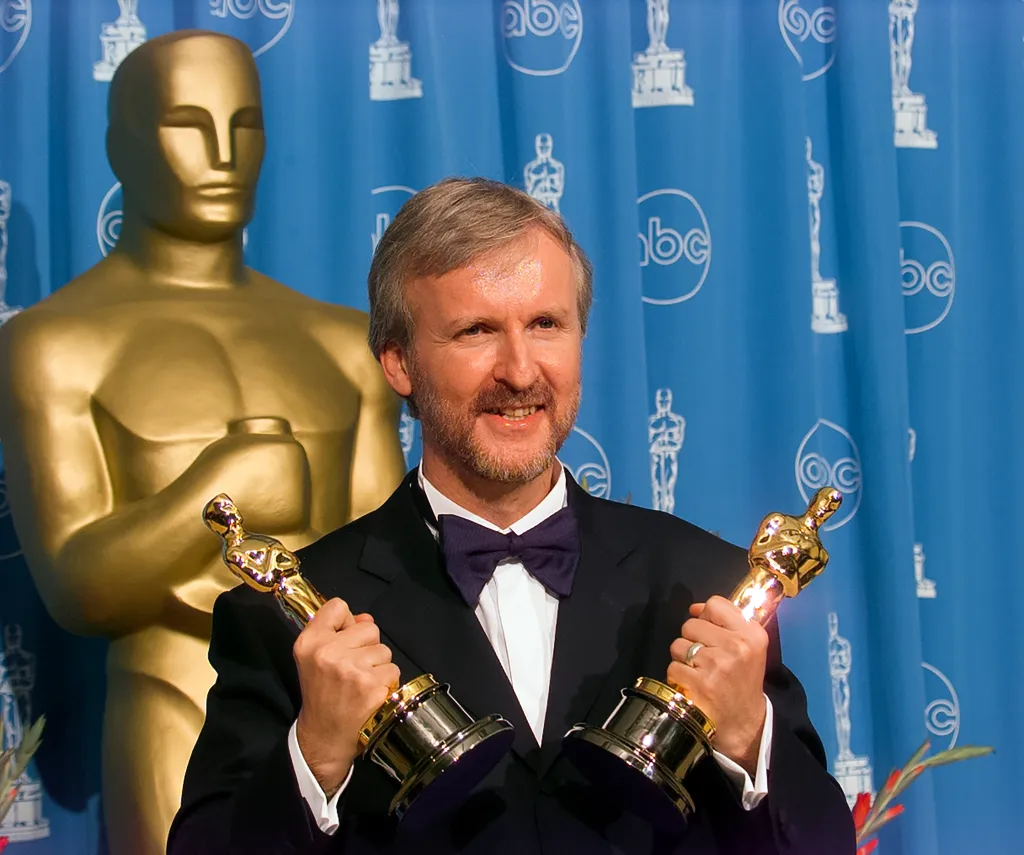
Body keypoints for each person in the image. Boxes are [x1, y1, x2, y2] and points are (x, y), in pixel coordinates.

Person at [168, 177, 856, 854]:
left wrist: (747, 736)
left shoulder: (706, 583)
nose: (521, 371)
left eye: (546, 325)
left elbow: (823, 842)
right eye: (476, 331)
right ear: (399, 361)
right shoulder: (292, 618)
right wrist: (314, 756)